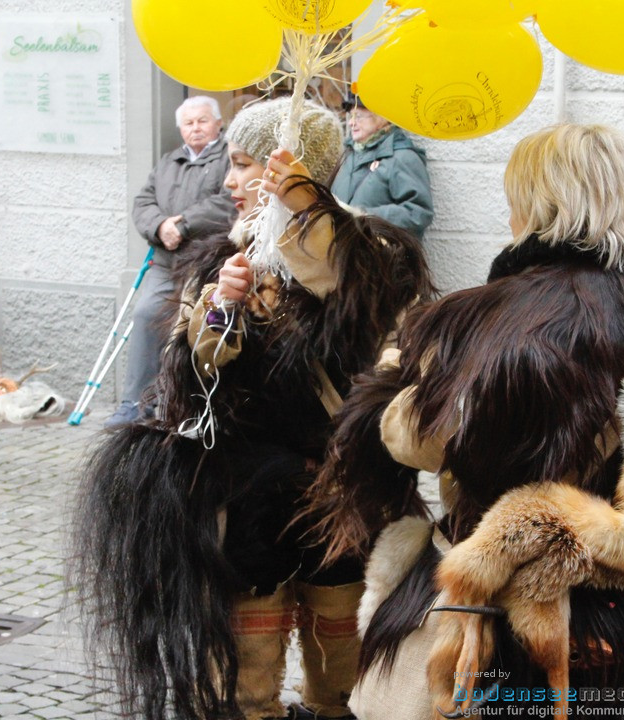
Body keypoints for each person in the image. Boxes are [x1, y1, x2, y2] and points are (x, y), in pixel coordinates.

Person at [305, 124, 624, 719]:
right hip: (621, 625)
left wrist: (392, 387)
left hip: (483, 617)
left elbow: (419, 442)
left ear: (533, 205)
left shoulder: (469, 320)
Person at [73, 97, 432, 720]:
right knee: (245, 675)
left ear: (286, 169)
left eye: (243, 166)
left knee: (341, 675)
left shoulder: (369, 253)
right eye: (230, 165)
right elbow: (194, 373)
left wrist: (304, 216)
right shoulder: (223, 256)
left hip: (341, 493)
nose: (228, 182)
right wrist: (220, 309)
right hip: (245, 495)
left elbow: (369, 317)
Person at [105, 95, 237, 427]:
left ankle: (184, 405)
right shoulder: (169, 162)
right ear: (181, 129)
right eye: (189, 123)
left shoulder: (230, 159)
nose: (196, 128)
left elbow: (228, 204)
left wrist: (183, 224)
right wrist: (160, 226)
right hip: (166, 263)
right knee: (146, 313)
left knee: (196, 327)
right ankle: (137, 402)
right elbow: (143, 202)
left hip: (206, 261)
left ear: (218, 123)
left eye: (203, 121)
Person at [330, 97, 434, 240]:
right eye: (351, 116)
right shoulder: (348, 155)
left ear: (382, 119)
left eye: (358, 116)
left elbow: (418, 213)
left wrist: (363, 216)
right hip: (344, 255)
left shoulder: (402, 157)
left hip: (381, 258)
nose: (351, 122)